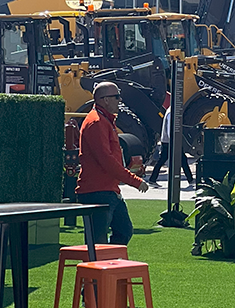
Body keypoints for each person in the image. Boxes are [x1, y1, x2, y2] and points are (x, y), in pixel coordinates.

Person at [76, 82, 149, 245]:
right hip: (97, 191)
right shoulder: (97, 122)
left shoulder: (104, 120)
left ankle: (108, 265)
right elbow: (106, 161)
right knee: (97, 241)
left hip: (107, 190)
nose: (120, 100)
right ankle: (97, 267)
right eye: (116, 96)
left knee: (124, 231)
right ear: (105, 100)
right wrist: (135, 181)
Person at [148, 106, 194, 188]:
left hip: (168, 141)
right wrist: (174, 140)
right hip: (170, 141)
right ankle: (190, 180)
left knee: (163, 160)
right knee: (181, 159)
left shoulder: (171, 111)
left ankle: (152, 179)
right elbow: (170, 129)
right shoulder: (171, 113)